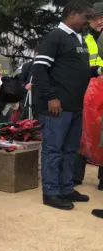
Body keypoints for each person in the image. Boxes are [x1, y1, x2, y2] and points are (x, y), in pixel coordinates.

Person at [32, 0, 102, 210]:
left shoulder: (78, 39)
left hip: (75, 106)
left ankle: (66, 187)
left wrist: (97, 72)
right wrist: (51, 97)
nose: (87, 22)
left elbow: (76, 69)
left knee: (70, 150)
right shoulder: (55, 37)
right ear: (72, 14)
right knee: (53, 150)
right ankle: (51, 192)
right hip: (57, 107)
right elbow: (39, 69)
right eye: (85, 17)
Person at [73, 2, 103, 190]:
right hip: (87, 90)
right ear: (89, 20)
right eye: (96, 18)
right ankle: (76, 175)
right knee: (81, 133)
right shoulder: (82, 39)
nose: (100, 21)